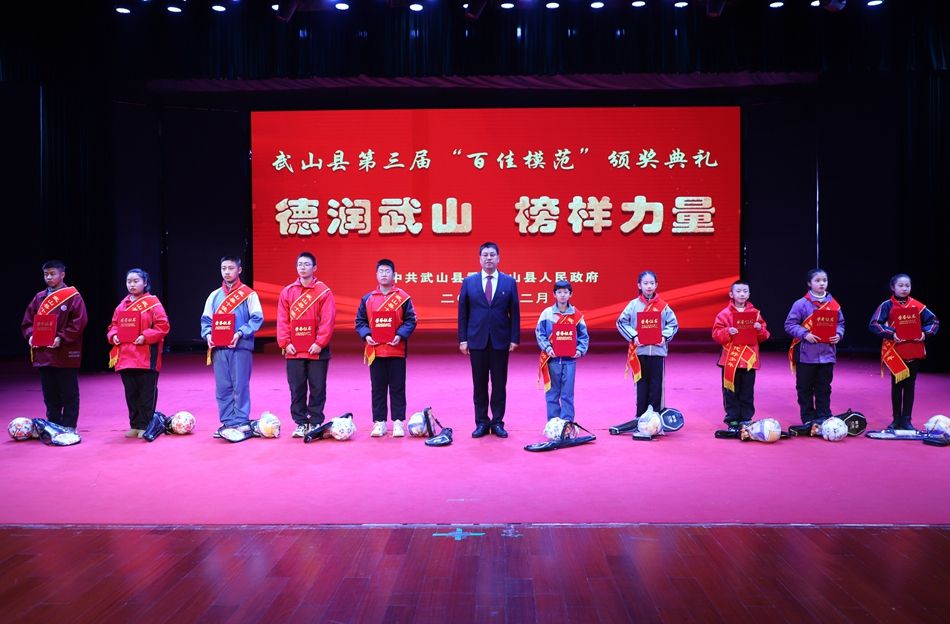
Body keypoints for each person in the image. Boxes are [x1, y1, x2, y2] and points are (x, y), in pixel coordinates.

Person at [457, 242, 521, 438]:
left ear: (498, 258)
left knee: (500, 384)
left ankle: (498, 422)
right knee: (479, 384)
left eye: (492, 254)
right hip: (477, 340)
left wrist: (514, 338)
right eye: (485, 255)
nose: (489, 258)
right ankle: (482, 422)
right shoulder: (469, 282)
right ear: (480, 259)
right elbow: (463, 313)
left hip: (501, 340)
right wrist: (463, 339)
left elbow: (515, 312)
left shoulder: (509, 282)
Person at [20, 260, 88, 431]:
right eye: (46, 274)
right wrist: (31, 336)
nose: (49, 277)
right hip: (44, 353)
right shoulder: (39, 297)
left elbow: (79, 322)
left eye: (52, 274)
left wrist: (61, 338)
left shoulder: (73, 296)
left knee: (69, 393)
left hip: (64, 351)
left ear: (62, 274)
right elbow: (27, 322)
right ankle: (53, 425)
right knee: (50, 394)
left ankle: (69, 427)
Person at [200, 256, 264, 437]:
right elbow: (206, 320)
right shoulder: (214, 296)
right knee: (223, 387)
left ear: (239, 270)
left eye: (231, 268)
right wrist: (208, 335)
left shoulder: (249, 294)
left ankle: (241, 422)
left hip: (240, 346)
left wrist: (240, 333)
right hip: (219, 348)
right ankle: (227, 423)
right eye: (224, 268)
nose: (227, 272)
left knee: (240, 385)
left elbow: (257, 318)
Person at [868, 273, 940, 430]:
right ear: (892, 287)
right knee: (896, 386)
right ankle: (896, 419)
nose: (904, 288)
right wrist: (891, 334)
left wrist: (924, 333)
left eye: (907, 285)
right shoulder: (887, 305)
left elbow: (933, 321)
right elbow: (874, 324)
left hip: (913, 350)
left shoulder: (917, 306)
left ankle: (907, 419)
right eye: (900, 285)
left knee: (910, 386)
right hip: (895, 352)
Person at [355, 259, 418, 437]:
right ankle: (379, 422)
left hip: (396, 350)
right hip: (375, 351)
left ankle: (398, 422)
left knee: (398, 387)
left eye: (387, 271)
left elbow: (411, 320)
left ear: (394, 275)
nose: (384, 274)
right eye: (381, 271)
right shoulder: (367, 299)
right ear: (376, 275)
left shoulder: (403, 297)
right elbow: (360, 321)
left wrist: (400, 335)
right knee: (378, 388)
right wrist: (366, 335)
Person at [276, 252, 336, 438]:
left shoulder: (324, 291)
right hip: (294, 350)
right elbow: (282, 320)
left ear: (314, 268)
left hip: (317, 350)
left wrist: (320, 343)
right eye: (300, 264)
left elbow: (328, 320)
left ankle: (315, 420)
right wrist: (286, 343)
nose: (303, 267)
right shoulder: (287, 292)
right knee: (297, 388)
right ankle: (301, 422)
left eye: (307, 264)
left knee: (318, 387)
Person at [107, 268, 170, 438]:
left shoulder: (153, 303)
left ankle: (146, 425)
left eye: (136, 281)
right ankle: (134, 425)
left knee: (146, 394)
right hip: (125, 357)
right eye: (129, 281)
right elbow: (113, 326)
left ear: (145, 283)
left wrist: (145, 336)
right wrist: (114, 336)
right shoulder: (121, 306)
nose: (132, 284)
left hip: (146, 357)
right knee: (131, 393)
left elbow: (163, 326)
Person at [783, 268, 844, 424]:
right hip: (806, 355)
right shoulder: (801, 304)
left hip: (827, 355)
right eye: (817, 281)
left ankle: (824, 417)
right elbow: (789, 324)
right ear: (809, 283)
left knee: (824, 388)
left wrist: (839, 334)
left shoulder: (834, 304)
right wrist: (805, 334)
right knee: (804, 388)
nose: (822, 283)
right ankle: (808, 418)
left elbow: (840, 323)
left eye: (824, 280)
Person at [616, 270, 679, 419]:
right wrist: (634, 336)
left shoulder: (663, 306)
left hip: (657, 352)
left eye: (652, 283)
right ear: (639, 285)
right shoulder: (633, 305)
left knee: (657, 385)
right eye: (645, 283)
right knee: (641, 385)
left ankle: (656, 417)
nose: (649, 286)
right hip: (639, 352)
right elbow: (621, 322)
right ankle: (640, 417)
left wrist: (664, 336)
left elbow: (673, 324)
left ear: (656, 285)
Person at [711, 280, 770, 431]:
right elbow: (716, 334)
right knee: (730, 391)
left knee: (747, 391)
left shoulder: (756, 314)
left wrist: (759, 329)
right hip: (730, 360)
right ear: (731, 294)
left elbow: (765, 336)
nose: (742, 294)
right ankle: (732, 420)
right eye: (738, 291)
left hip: (749, 361)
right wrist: (727, 331)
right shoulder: (724, 314)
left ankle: (746, 419)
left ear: (749, 294)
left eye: (745, 291)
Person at [535, 280, 589, 422]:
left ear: (571, 294)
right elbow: (540, 333)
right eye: (559, 292)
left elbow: (584, 336)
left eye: (565, 292)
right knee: (552, 394)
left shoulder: (577, 315)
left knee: (567, 395)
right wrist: (548, 348)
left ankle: (567, 424)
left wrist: (579, 350)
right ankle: (554, 424)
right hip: (552, 360)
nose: (562, 295)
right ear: (554, 294)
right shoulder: (547, 313)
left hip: (570, 361)